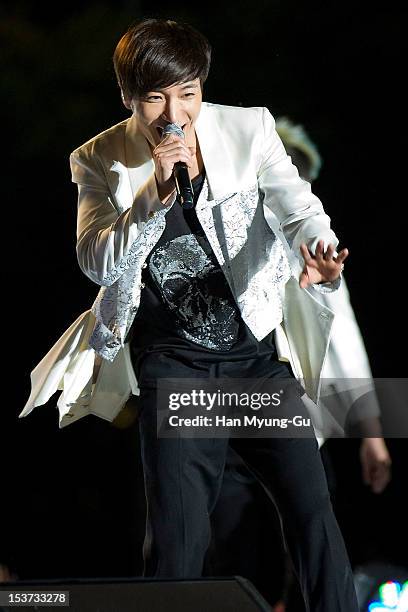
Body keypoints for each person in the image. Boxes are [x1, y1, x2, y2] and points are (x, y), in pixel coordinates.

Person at [20, 19, 358, 611]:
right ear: (129, 96)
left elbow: (297, 204)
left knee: (314, 518)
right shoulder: (100, 158)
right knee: (180, 544)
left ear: (202, 86)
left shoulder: (249, 127)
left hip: (255, 364)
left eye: (189, 94)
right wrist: (155, 192)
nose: (175, 113)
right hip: (177, 371)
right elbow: (96, 261)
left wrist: (319, 249)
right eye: (155, 98)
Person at [208, 116, 392, 610]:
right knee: (230, 542)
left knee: (307, 534)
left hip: (291, 423)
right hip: (223, 427)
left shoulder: (310, 250)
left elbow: (344, 339)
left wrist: (371, 433)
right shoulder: (220, 239)